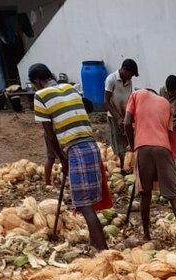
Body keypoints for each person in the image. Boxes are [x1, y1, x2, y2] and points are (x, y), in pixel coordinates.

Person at [29, 63, 108, 250]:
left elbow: (49, 135)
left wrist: (63, 160)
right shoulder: (71, 88)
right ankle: (93, 243)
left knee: (84, 205)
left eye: (34, 85)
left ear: (37, 82)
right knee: (89, 202)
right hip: (91, 145)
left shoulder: (40, 96)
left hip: (75, 149)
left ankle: (103, 250)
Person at [124, 87, 176, 244]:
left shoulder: (136, 94)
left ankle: (146, 235)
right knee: (173, 195)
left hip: (143, 147)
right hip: (163, 148)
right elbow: (169, 132)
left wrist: (133, 146)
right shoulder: (166, 103)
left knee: (145, 193)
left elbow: (127, 122)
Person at [105, 58, 138, 173]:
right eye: (131, 74)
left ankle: (129, 165)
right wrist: (118, 118)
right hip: (114, 115)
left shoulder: (129, 81)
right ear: (124, 70)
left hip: (125, 115)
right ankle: (123, 168)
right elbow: (107, 102)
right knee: (119, 142)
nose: (131, 77)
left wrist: (129, 115)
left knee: (128, 140)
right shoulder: (111, 79)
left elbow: (129, 99)